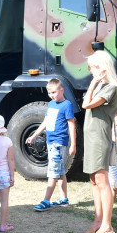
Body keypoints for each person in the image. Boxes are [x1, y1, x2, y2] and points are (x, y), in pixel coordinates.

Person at [81, 50, 117, 233]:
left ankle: (107, 226)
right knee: (93, 180)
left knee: (102, 180)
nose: (90, 70)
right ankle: (98, 220)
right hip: (91, 138)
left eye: (93, 67)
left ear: (102, 68)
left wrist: (93, 82)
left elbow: (86, 105)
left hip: (99, 139)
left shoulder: (110, 88)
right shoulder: (100, 87)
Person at [25, 78, 77, 211]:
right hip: (50, 141)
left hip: (58, 143)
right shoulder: (51, 104)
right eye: (49, 93)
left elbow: (71, 125)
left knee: (53, 172)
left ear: (62, 90)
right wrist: (34, 135)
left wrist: (73, 145)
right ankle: (64, 199)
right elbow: (46, 121)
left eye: (54, 92)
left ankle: (46, 201)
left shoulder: (67, 105)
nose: (52, 95)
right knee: (59, 171)